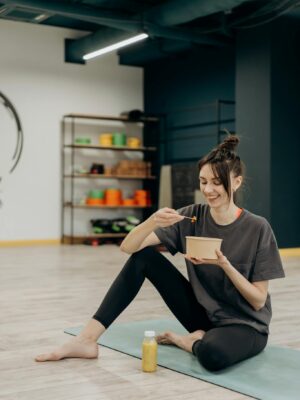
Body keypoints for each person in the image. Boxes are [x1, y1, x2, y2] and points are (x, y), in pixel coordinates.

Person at [35, 135, 285, 371]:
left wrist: (225, 265)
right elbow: (128, 247)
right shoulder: (192, 215)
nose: (209, 189)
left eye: (217, 183)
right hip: (205, 316)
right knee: (144, 258)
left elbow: (258, 300)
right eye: (204, 181)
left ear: (237, 181)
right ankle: (86, 340)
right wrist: (152, 221)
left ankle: (188, 341)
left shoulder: (258, 227)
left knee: (212, 355)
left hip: (245, 326)